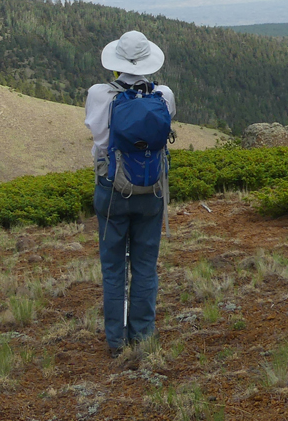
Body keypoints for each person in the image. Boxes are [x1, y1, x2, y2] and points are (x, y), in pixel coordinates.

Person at [85, 30, 175, 353]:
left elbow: (96, 134)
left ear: (117, 62)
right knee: (145, 265)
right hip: (151, 190)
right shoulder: (164, 96)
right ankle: (142, 337)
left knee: (113, 268)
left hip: (112, 189)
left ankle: (115, 342)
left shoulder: (99, 95)